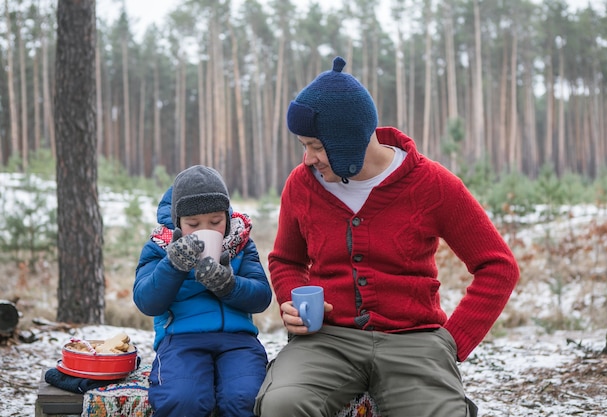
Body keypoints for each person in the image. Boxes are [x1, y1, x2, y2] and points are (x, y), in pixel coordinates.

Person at [253, 57, 520, 417]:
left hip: (415, 342)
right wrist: (293, 306)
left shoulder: (433, 184)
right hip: (326, 342)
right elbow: (287, 260)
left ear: (346, 139)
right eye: (304, 145)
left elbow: (498, 266)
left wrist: (453, 341)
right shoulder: (301, 185)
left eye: (316, 146)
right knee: (281, 404)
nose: (307, 158)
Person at [134, 165, 272, 417]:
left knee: (246, 397)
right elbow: (147, 301)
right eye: (193, 224)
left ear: (228, 219)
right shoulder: (158, 247)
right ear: (177, 222)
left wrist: (230, 286)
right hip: (181, 341)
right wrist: (173, 265)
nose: (204, 229)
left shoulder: (241, 243)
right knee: (182, 399)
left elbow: (261, 297)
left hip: (239, 341)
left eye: (216, 222)